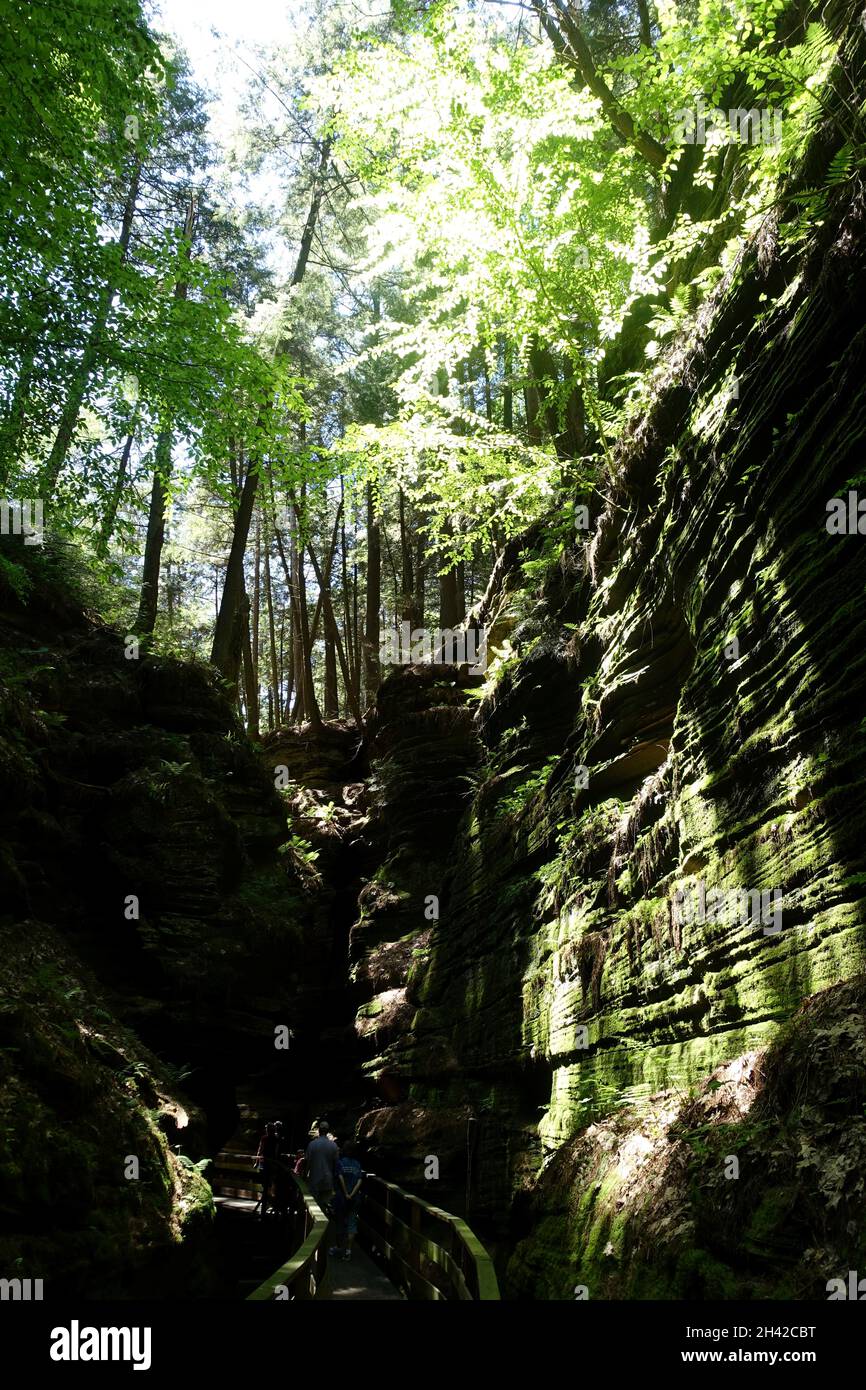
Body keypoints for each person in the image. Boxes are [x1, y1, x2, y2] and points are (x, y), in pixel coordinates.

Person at [330, 1140, 364, 1262]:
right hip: (354, 1199)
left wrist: (345, 1194)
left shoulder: (340, 1163)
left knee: (340, 1223)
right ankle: (348, 1251)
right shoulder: (357, 1164)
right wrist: (352, 1194)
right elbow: (360, 1180)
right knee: (352, 1223)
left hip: (342, 1198)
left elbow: (340, 1177)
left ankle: (339, 1248)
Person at [305, 1120, 338, 1213]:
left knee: (313, 1207)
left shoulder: (312, 1145)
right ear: (328, 1131)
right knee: (323, 1208)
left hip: (314, 1179)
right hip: (328, 1181)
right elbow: (336, 1164)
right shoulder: (334, 1146)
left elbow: (307, 1163)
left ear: (319, 1130)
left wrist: (304, 1177)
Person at [255, 1121, 280, 1219]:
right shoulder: (276, 1139)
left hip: (264, 1164)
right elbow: (276, 1152)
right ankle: (267, 1203)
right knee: (269, 1184)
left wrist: (257, 1162)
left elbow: (260, 1149)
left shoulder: (264, 1138)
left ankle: (265, 1204)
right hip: (271, 1165)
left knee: (265, 1185)